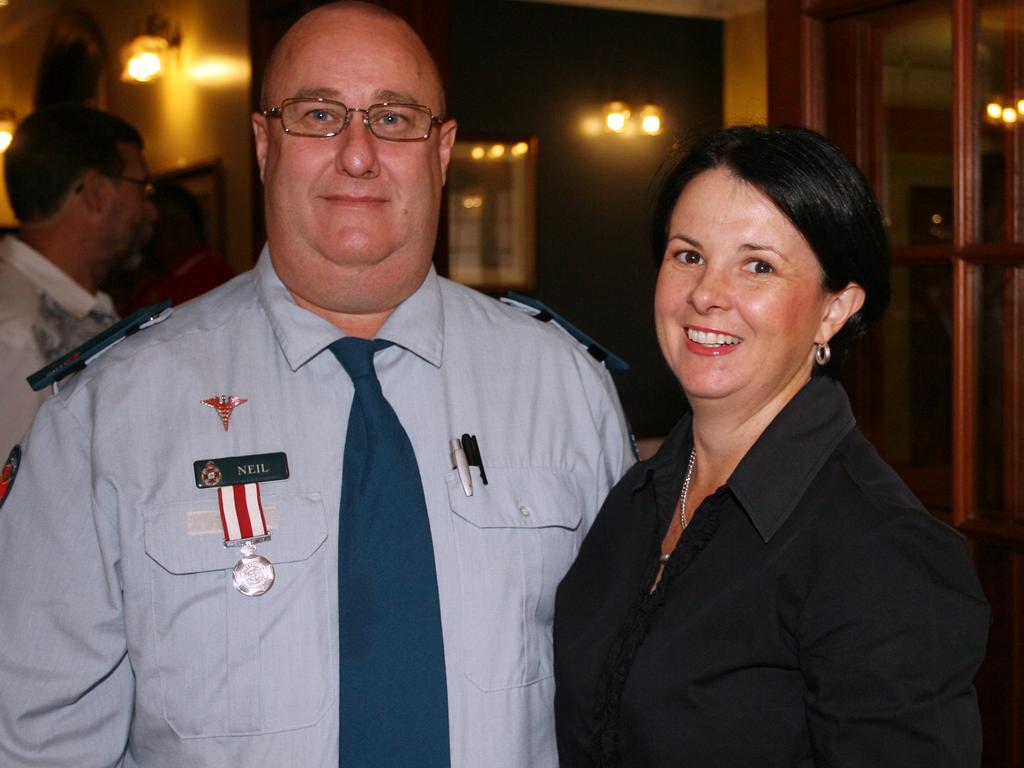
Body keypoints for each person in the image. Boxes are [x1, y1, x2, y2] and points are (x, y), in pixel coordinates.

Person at [0, 3, 632, 767]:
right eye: (320, 115)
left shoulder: (565, 391)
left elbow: (630, 698)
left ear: (443, 150)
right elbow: (43, 741)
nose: (358, 155)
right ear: (265, 144)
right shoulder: (107, 415)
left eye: (395, 118)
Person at [553, 126, 990, 767]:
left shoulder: (881, 552)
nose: (706, 293)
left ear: (834, 310)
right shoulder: (639, 493)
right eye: (688, 255)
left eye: (758, 265)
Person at [0, 104, 156, 454]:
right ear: (98, 191)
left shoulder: (72, 307)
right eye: (142, 189)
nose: (150, 210)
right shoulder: (14, 332)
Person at [123, 183, 237, 313]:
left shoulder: (204, 279)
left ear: (180, 225)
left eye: (153, 225)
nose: (145, 235)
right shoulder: (167, 276)